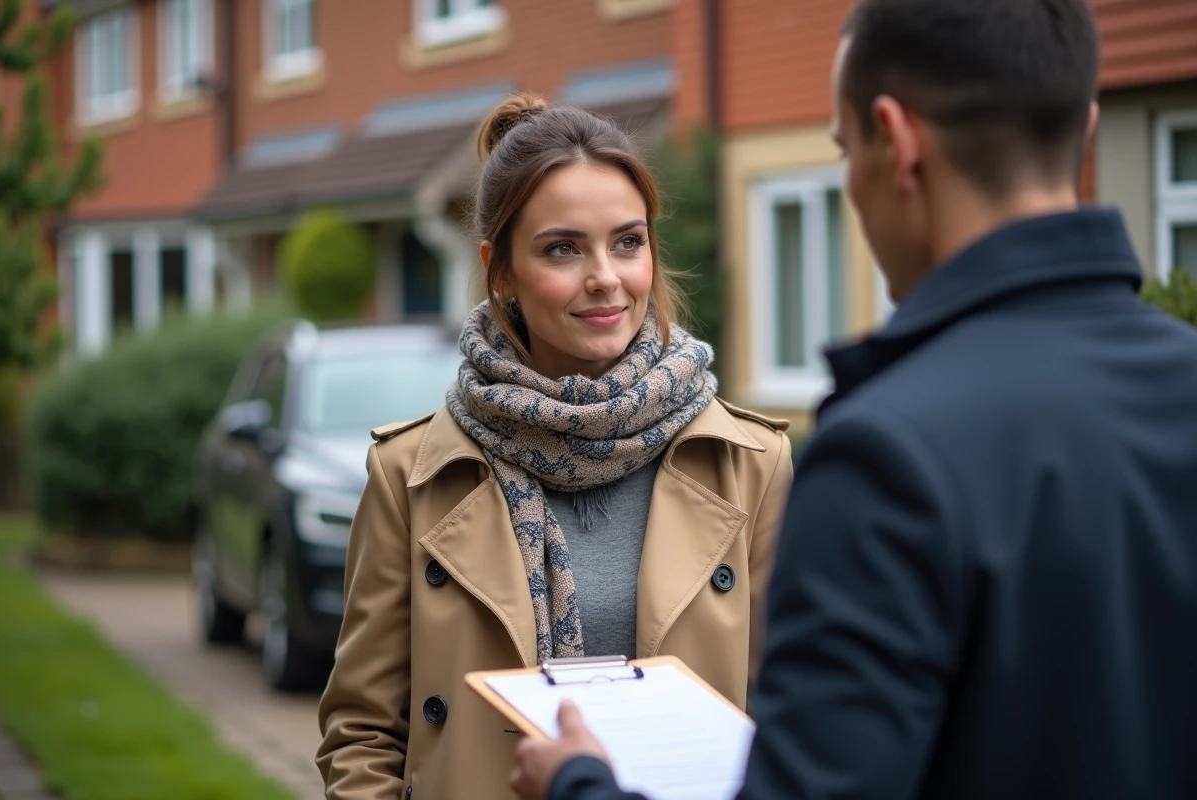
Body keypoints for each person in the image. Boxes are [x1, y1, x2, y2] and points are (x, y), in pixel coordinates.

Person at [510, 0, 1197, 798]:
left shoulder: (892, 453)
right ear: (1083, 128)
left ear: (895, 143)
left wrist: (579, 786)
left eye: (842, 150)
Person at [316, 94, 794, 800]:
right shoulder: (411, 475)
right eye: (563, 248)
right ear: (500, 269)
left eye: (628, 241)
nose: (605, 276)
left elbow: (789, 714)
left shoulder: (749, 463)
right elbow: (362, 731)